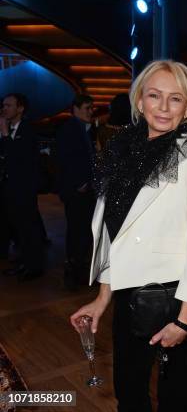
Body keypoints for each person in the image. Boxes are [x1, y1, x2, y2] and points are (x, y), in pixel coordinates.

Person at [69, 60, 187, 412]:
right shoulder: (120, 149)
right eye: (155, 96)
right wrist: (101, 298)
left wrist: (185, 319)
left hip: (175, 297)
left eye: (175, 99)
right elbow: (117, 235)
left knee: (175, 396)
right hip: (127, 294)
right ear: (139, 101)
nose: (164, 107)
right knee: (129, 392)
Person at [0, 93, 44, 280]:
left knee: (28, 228)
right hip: (10, 189)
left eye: (9, 105)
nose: (4, 109)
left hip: (24, 189)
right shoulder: (10, 128)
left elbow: (19, 158)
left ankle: (33, 267)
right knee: (18, 228)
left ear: (20, 108)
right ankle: (23, 263)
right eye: (3, 105)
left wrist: (4, 134)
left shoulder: (28, 130)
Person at [56, 94, 96, 290]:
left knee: (85, 231)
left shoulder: (87, 130)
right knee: (76, 231)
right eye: (88, 108)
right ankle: (73, 272)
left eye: (91, 108)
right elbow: (64, 160)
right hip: (76, 190)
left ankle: (79, 269)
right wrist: (78, 183)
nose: (91, 111)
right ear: (76, 108)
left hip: (87, 189)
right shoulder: (68, 129)